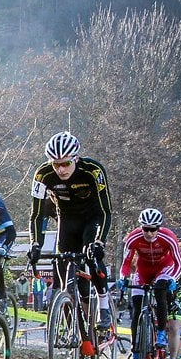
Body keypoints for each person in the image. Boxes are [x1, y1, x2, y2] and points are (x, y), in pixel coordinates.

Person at [27, 131, 113, 329]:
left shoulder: (93, 170)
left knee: (92, 256)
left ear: (76, 158)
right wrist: (35, 244)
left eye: (66, 163)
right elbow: (37, 214)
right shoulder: (42, 175)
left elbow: (106, 211)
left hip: (92, 217)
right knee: (62, 272)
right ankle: (72, 331)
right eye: (56, 164)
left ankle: (103, 304)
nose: (61, 169)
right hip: (66, 218)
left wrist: (100, 242)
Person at [117, 208, 181, 359]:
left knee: (161, 291)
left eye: (153, 229)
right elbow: (126, 262)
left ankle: (161, 332)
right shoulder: (133, 237)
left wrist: (173, 279)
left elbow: (178, 263)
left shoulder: (168, 237)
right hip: (143, 270)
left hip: (165, 268)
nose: (148, 233)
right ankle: (136, 354)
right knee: (137, 311)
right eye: (145, 228)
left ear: (159, 228)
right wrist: (123, 277)